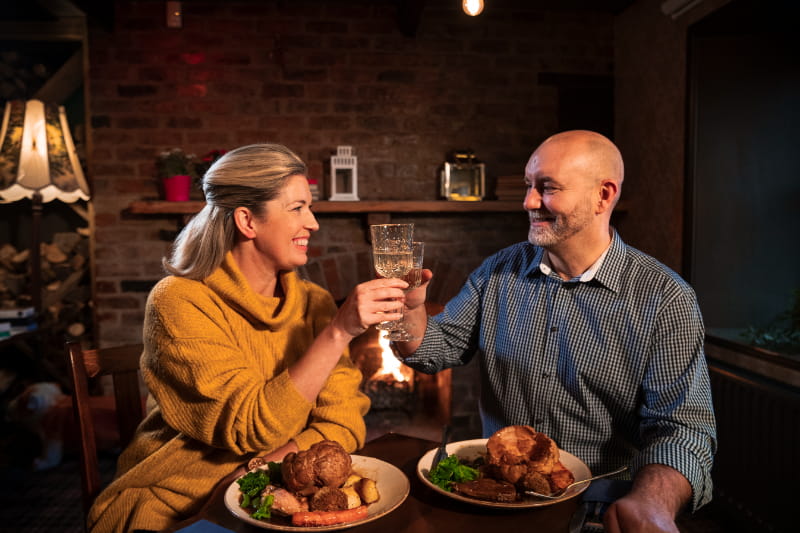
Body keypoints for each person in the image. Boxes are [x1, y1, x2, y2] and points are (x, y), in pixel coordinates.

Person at [394, 130, 717, 533]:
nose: (528, 202)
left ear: (603, 195)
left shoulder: (665, 299)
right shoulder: (498, 271)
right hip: (501, 499)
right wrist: (410, 310)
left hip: (601, 509)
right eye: (529, 186)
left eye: (547, 188)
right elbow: (433, 350)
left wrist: (652, 501)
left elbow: (682, 429)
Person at [88, 144, 408, 532]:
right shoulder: (179, 300)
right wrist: (338, 332)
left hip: (277, 497)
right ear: (247, 221)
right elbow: (249, 427)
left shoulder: (315, 303)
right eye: (297, 208)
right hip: (179, 504)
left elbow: (345, 424)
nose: (313, 223)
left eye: (310, 207)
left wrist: (256, 472)